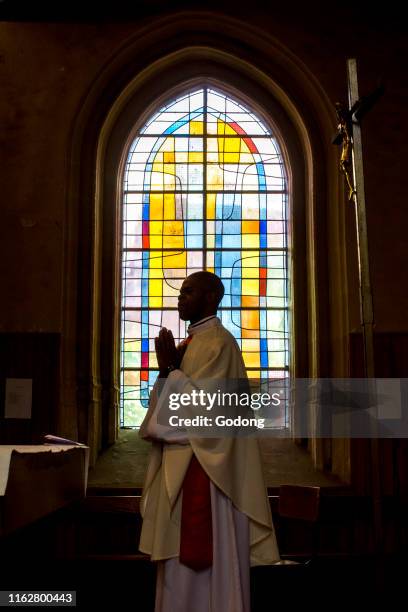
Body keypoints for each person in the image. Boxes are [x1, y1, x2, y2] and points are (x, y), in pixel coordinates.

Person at [139, 271, 279, 612]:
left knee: (210, 569)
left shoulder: (220, 344)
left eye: (188, 292)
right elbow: (162, 417)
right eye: (180, 292)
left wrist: (171, 370)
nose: (180, 297)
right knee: (176, 570)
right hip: (180, 473)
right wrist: (164, 372)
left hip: (212, 477)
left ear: (211, 298)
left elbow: (211, 417)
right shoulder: (187, 346)